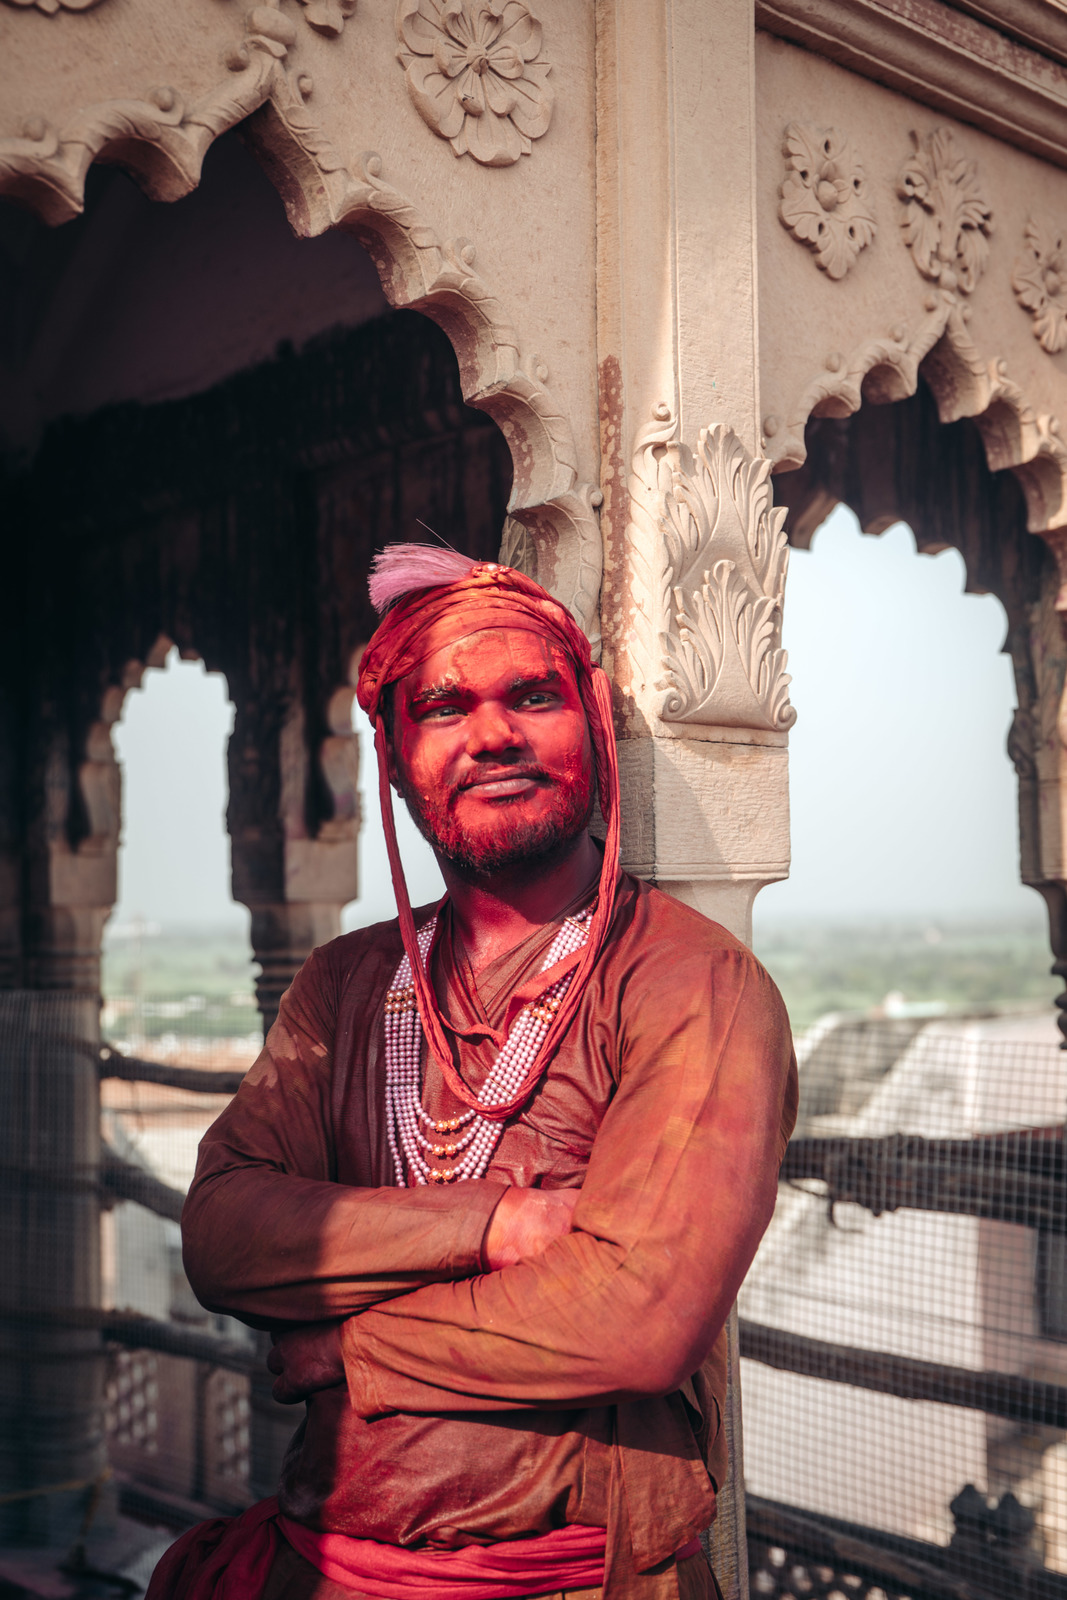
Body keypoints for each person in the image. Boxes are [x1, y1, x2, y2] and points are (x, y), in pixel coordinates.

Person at [148, 546, 798, 1600]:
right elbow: (222, 1232)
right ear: (397, 759)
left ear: (589, 725)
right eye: (444, 707)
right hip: (324, 1568)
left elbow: (639, 1316)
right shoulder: (344, 984)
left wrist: (347, 1346)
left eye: (531, 696)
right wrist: (495, 1227)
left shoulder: (687, 983)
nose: (491, 732)